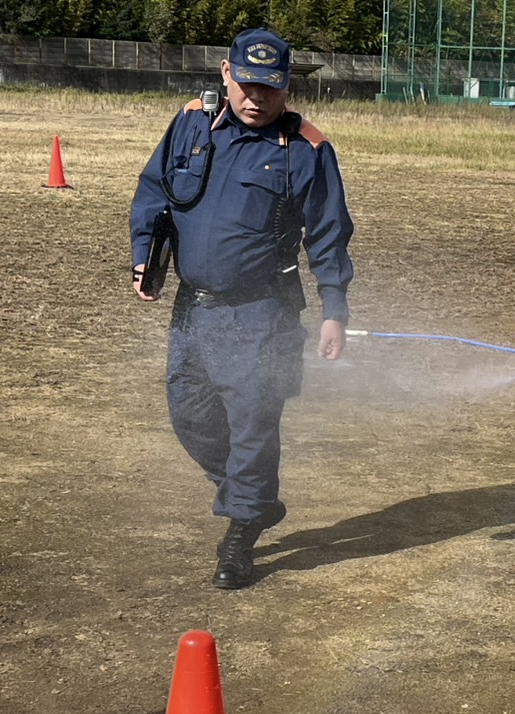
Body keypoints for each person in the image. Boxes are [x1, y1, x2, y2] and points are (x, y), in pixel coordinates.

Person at [130, 28, 355, 590]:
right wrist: (145, 255)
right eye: (247, 84)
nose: (256, 98)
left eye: (271, 89)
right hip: (191, 308)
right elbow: (154, 190)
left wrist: (335, 309)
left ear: (287, 88)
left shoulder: (306, 150)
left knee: (253, 423)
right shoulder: (191, 125)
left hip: (262, 314)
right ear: (226, 74)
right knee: (190, 415)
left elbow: (329, 234)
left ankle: (240, 532)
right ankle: (250, 498)